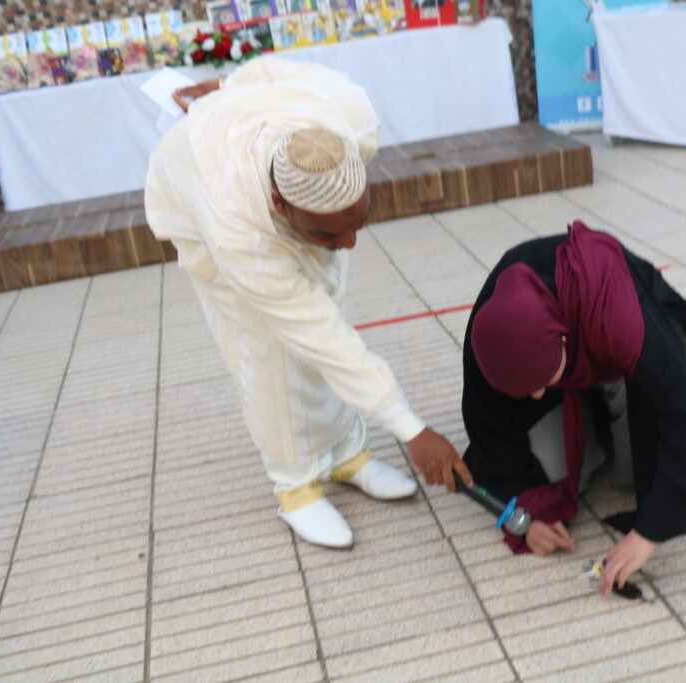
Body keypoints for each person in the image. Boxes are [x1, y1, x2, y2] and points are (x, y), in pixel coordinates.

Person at [145, 56, 471, 549]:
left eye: (357, 225)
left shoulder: (350, 116)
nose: (349, 245)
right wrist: (412, 430)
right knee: (269, 344)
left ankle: (345, 454)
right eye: (330, 235)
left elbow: (277, 71)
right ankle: (295, 485)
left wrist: (229, 83)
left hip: (264, 182)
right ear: (282, 205)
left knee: (327, 311)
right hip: (192, 195)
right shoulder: (239, 231)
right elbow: (322, 337)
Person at [462, 222, 686, 594]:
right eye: (525, 389)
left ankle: (607, 407)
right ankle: (594, 422)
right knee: (555, 477)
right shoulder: (491, 339)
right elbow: (488, 426)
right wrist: (523, 520)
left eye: (542, 380)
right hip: (566, 350)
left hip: (611, 340)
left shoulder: (618, 314)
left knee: (637, 477)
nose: (536, 395)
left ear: (563, 339)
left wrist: (647, 535)